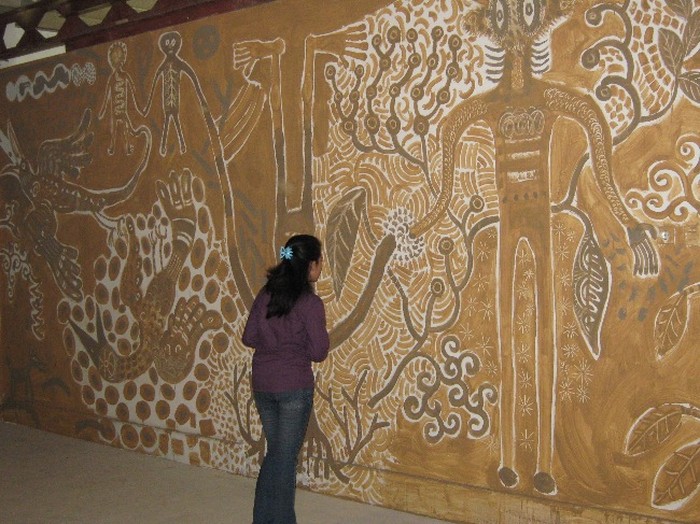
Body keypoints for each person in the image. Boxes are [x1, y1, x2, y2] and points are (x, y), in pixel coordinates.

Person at [242, 234, 330, 524]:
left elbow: (249, 337)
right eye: (320, 261)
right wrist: (293, 346)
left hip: (263, 384)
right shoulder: (310, 303)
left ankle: (262, 519)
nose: (321, 266)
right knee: (284, 458)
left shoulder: (266, 294)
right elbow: (319, 352)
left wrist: (275, 343)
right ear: (311, 265)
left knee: (277, 454)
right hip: (293, 387)